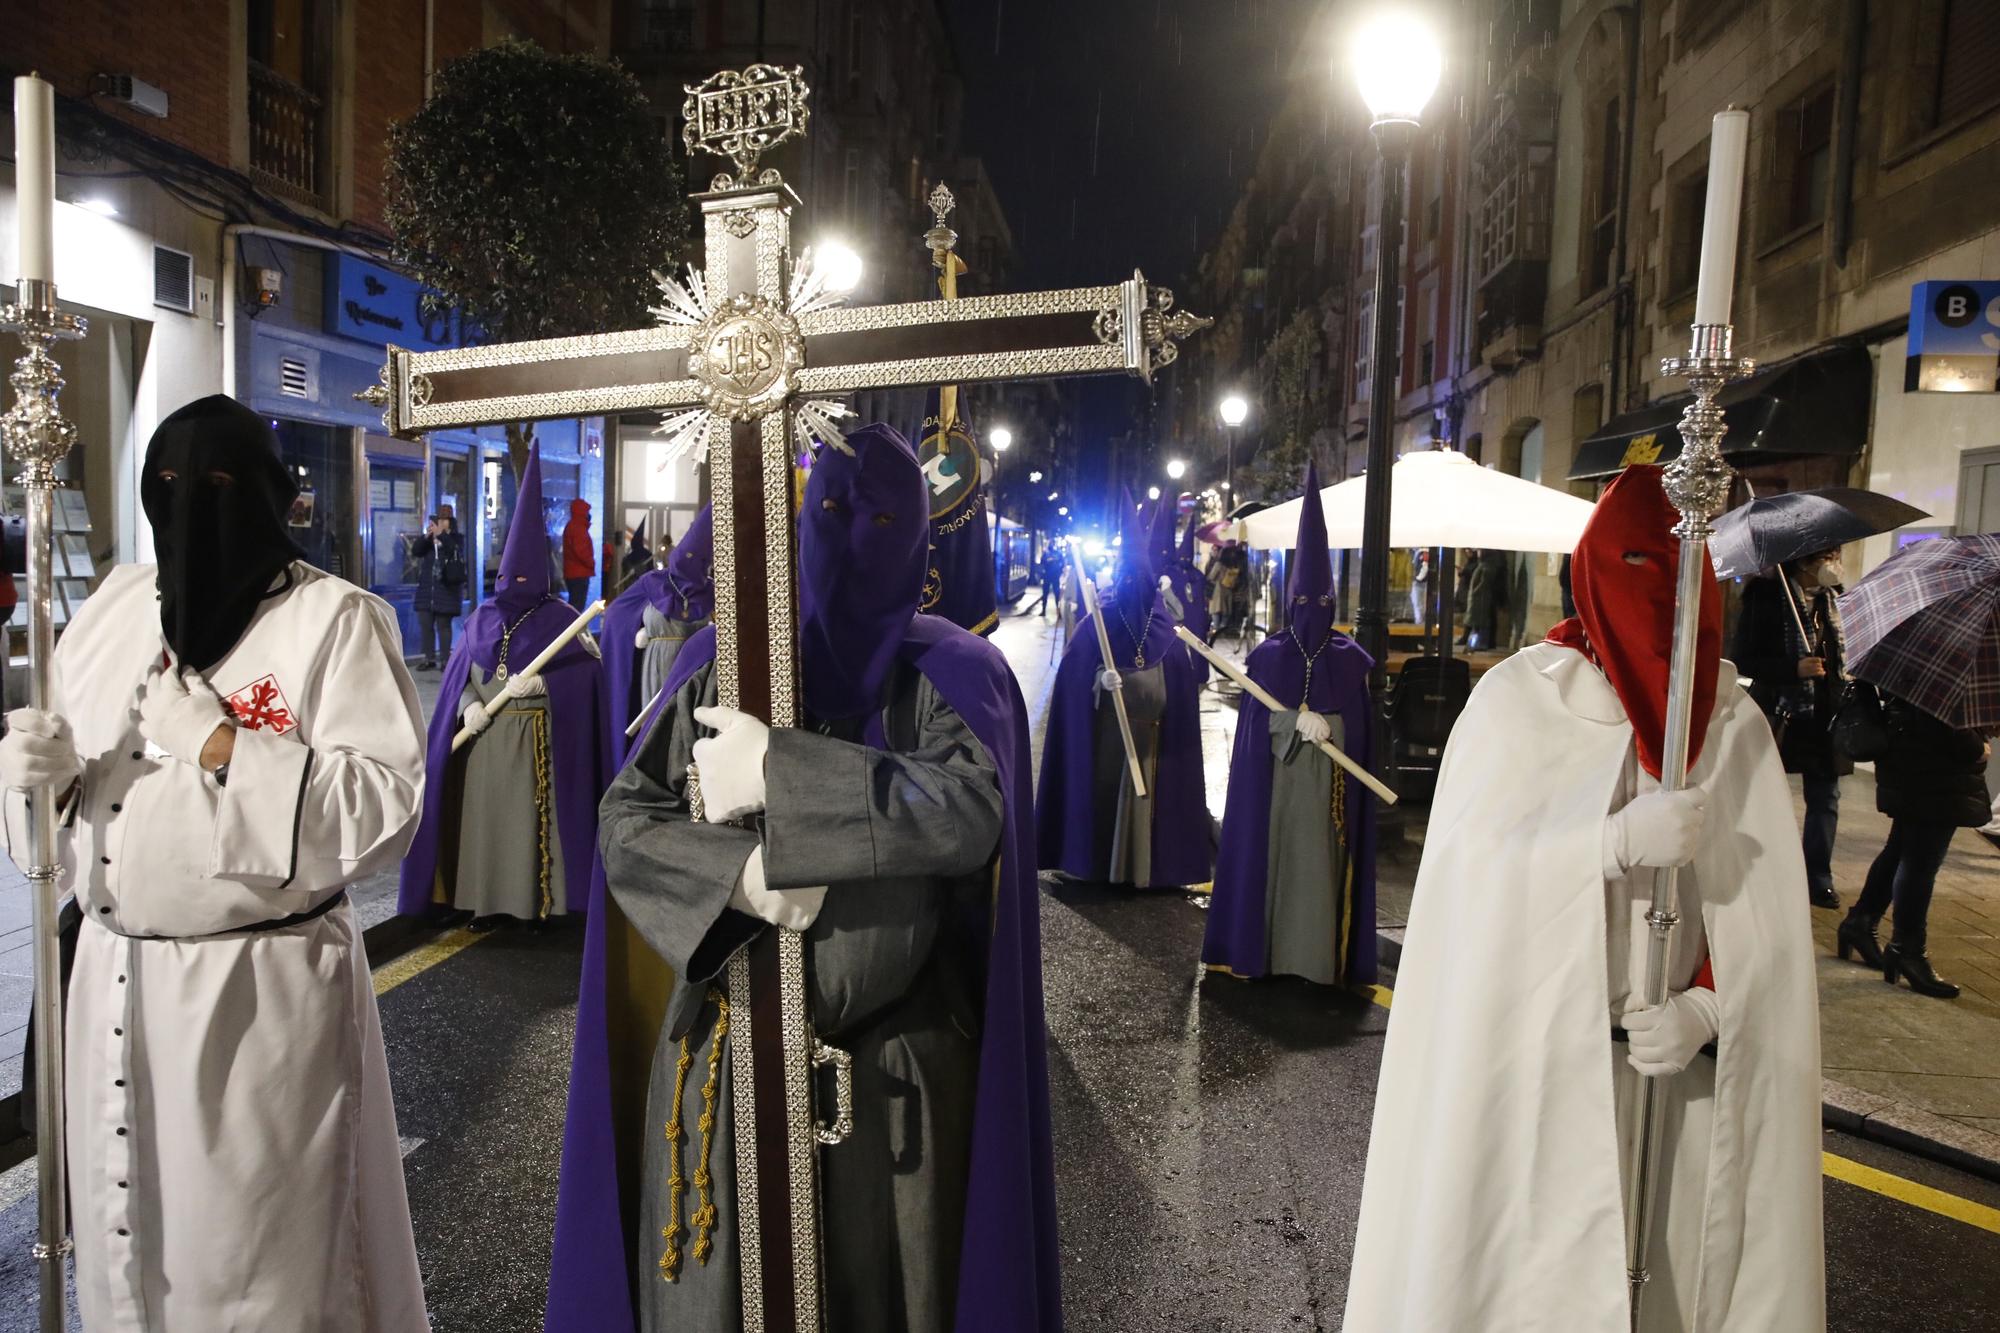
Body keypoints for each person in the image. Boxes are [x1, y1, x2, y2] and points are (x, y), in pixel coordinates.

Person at [546, 423, 1060, 1332]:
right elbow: (628, 822)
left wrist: (785, 774)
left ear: (919, 537)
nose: (854, 534)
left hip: (896, 1069)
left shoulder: (951, 672)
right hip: (729, 1052)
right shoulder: (723, 659)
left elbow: (972, 810)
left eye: (883, 518)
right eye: (830, 510)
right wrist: (741, 873)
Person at [1344, 464, 1823, 1332]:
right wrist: (1603, 847)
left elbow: (1766, 917)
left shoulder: (1731, 725)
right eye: (1633, 566)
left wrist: (1709, 1008)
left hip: (1676, 1082)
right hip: (1534, 1065)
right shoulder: (1519, 704)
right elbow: (1468, 886)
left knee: (1675, 1285)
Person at [0, 395, 428, 1331]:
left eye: (222, 486)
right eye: (167, 484)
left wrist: (224, 746)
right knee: (126, 1267)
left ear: (273, 497)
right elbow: (56, 831)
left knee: (260, 1275)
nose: (192, 504)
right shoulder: (114, 607)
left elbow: (381, 811)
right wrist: (34, 778)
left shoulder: (333, 621)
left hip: (255, 1006)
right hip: (112, 985)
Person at [399, 447, 614, 925]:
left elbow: (588, 679)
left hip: (538, 750)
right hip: (485, 749)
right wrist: (469, 705)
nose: (512, 582)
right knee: (486, 829)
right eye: (505, 574)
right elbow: (462, 676)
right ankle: (482, 901)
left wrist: (546, 686)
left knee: (528, 833)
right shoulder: (481, 618)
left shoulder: (562, 621)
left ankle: (542, 906)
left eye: (523, 574)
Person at [1203, 461, 1376, 985]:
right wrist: (1286, 726)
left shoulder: (1351, 660)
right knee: (1270, 865)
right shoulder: (1269, 657)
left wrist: (1332, 727)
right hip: (1275, 794)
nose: (1310, 611)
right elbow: (1254, 736)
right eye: (1302, 602)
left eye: (1320, 603)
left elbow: (1364, 737)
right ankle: (1264, 953)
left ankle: (1317, 960)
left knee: (1319, 874)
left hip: (1331, 800)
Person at [1038, 493, 1212, 891]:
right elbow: (1071, 682)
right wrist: (1097, 681)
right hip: (1106, 740)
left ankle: (1151, 869)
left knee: (1148, 804)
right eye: (1130, 579)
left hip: (1153, 739)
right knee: (1102, 798)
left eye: (1142, 581)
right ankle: (1095, 863)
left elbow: (1182, 691)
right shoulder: (1096, 622)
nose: (1135, 588)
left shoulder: (1169, 630)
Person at [1835, 689, 1993, 998]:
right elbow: (1942, 720)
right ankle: (1907, 950)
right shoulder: (1947, 665)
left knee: (1901, 851)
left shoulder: (1923, 663)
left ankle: (1861, 921)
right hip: (1935, 775)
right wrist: (1977, 747)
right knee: (1921, 863)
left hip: (1913, 766)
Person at [1733, 549, 1850, 910]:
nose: (1834, 561)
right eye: (1827, 554)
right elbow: (1743, 657)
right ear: (1803, 560)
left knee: (1826, 798)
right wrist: (1792, 669)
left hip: (1825, 713)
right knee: (1766, 794)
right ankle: (1760, 869)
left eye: (1837, 553)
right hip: (1781, 709)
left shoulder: (1834, 599)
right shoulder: (1767, 596)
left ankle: (1818, 878)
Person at [601, 505, 713, 762]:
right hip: (655, 663)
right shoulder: (653, 583)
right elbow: (620, 613)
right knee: (652, 722)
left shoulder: (711, 592)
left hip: (692, 670)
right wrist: (636, 633)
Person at [411, 503, 468, 671]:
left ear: (451, 522)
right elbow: (416, 551)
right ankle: (428, 658)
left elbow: (454, 549)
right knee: (426, 625)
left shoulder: (456, 538)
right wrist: (427, 536)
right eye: (439, 520)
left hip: (447, 591)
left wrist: (442, 535)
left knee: (444, 626)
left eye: (444, 520)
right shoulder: (430, 541)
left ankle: (445, 660)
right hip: (427, 591)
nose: (441, 523)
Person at [563, 496, 595, 606]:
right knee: (577, 605)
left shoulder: (572, 526)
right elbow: (581, 551)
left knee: (575, 604)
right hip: (579, 573)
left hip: (573, 572)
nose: (589, 514)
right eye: (587, 511)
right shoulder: (578, 528)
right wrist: (591, 563)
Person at [1030, 545, 1064, 617]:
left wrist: (1059, 571)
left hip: (1053, 576)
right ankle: (1044, 611)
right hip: (1048, 576)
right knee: (1046, 594)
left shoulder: (1056, 553)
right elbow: (1042, 563)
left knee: (1056, 595)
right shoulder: (1047, 554)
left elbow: (1062, 563)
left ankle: (1057, 612)